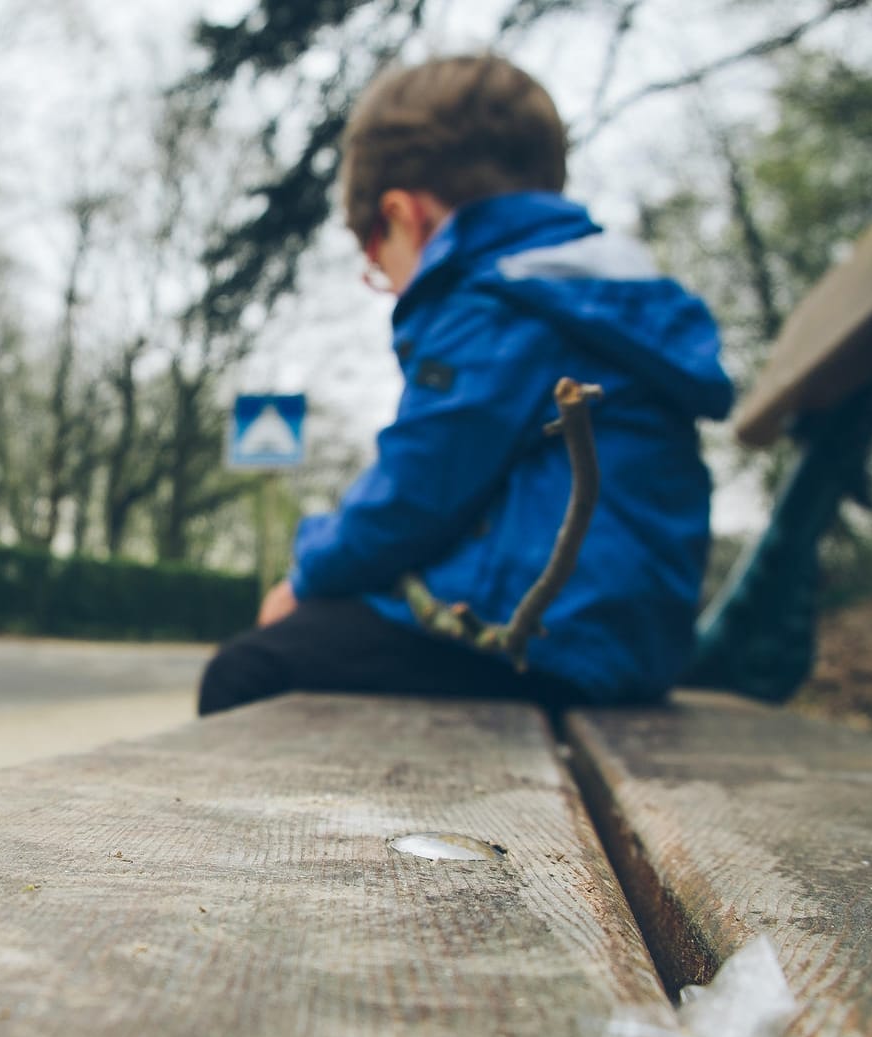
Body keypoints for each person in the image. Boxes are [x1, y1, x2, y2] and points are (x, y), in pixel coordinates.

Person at [198, 54, 734, 716]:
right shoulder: (597, 294)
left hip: (538, 642)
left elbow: (415, 495)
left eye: (377, 261)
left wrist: (304, 575)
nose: (388, 283)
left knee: (250, 670)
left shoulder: (497, 303)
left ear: (404, 215)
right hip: (624, 643)